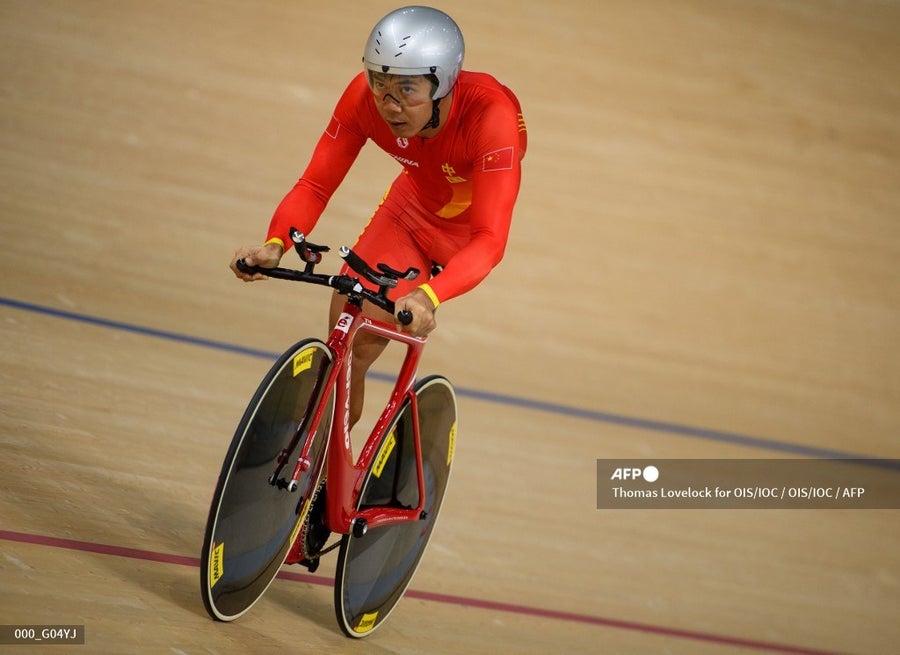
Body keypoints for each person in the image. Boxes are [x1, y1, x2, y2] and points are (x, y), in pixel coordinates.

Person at [230, 5, 527, 430]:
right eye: (379, 83)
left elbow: (489, 240)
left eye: (406, 89)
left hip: (466, 237)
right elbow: (315, 184)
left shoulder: (491, 115)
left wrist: (429, 296)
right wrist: (276, 243)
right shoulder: (362, 99)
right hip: (410, 212)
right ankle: (322, 462)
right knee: (346, 351)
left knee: (369, 334)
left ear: (442, 84)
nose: (390, 105)